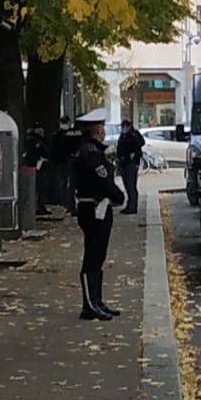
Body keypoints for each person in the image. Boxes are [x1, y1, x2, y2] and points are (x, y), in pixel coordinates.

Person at [72, 109, 125, 321]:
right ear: (96, 129)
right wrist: (119, 196)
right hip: (93, 208)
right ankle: (89, 305)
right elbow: (103, 181)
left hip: (97, 208)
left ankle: (97, 300)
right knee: (92, 257)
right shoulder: (90, 153)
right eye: (102, 127)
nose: (103, 130)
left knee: (98, 256)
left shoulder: (91, 150)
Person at [115, 119, 145, 215]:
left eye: (124, 127)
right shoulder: (123, 135)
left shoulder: (133, 135)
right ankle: (130, 205)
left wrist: (132, 156)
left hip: (130, 163)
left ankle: (133, 206)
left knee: (131, 185)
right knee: (127, 185)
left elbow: (138, 146)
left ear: (128, 126)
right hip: (124, 163)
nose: (123, 129)